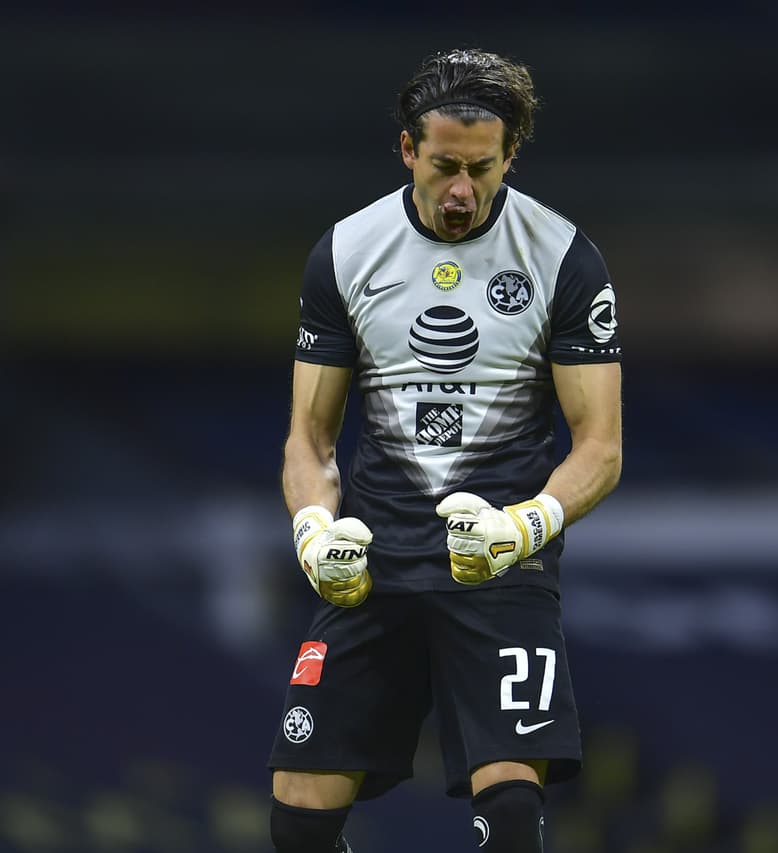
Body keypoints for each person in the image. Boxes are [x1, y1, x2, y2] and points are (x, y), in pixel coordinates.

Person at [267, 48, 623, 853]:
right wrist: (314, 534)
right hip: (374, 561)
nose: (461, 191)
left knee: (509, 814)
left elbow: (600, 447)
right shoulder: (348, 251)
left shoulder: (564, 257)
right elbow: (309, 440)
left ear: (511, 157)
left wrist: (525, 527)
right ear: (406, 150)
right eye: (443, 167)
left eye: (482, 169)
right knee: (298, 815)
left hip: (501, 564)